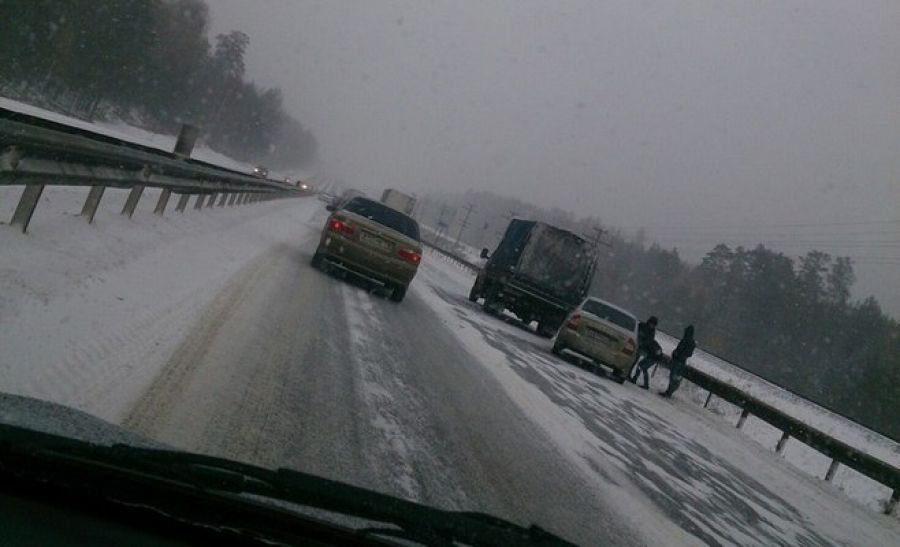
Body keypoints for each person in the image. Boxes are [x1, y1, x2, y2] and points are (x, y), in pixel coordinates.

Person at [660, 325, 695, 398]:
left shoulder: (686, 340)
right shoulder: (691, 342)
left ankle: (669, 392)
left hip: (678, 360)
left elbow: (681, 350)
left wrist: (677, 353)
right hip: (681, 361)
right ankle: (670, 391)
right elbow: (689, 354)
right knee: (675, 377)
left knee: (673, 377)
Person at [629, 316, 658, 383]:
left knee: (634, 361)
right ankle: (627, 373)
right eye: (651, 323)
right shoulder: (642, 325)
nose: (652, 325)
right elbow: (636, 333)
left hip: (641, 348)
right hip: (635, 344)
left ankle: (629, 374)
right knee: (631, 360)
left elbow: (650, 340)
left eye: (654, 324)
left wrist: (643, 344)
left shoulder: (652, 331)